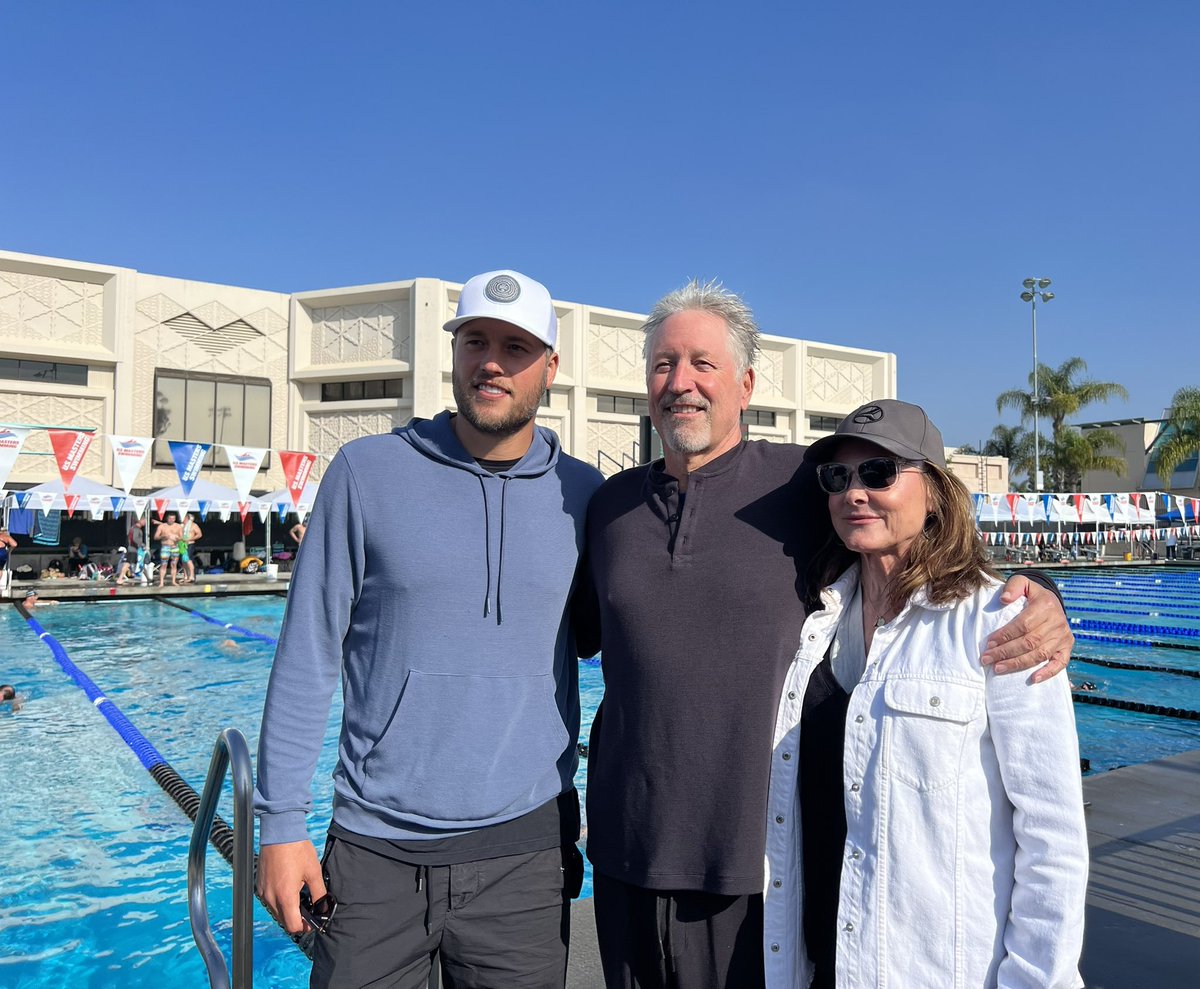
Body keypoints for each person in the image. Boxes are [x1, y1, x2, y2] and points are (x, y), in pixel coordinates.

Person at [579, 281, 1075, 989]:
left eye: (702, 363)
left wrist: (1041, 598)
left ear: (746, 383)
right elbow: (576, 636)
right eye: (663, 364)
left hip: (758, 875)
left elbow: (918, 544)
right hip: (626, 859)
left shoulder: (799, 487)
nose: (680, 383)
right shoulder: (610, 507)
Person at [254, 270, 603, 988]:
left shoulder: (584, 495)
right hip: (377, 849)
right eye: (475, 340)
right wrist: (280, 822)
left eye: (516, 345)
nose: (493, 361)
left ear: (551, 367)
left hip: (525, 852)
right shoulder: (366, 473)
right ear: (454, 353)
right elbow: (307, 654)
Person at [763, 400, 1087, 988]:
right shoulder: (815, 621)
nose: (854, 493)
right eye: (838, 477)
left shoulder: (1002, 624)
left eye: (879, 473)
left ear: (935, 493)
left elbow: (1052, 834)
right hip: (824, 962)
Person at [154, 513, 183, 587]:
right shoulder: (162, 526)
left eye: (173, 519)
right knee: (164, 564)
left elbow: (182, 537)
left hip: (175, 547)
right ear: (167, 518)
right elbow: (156, 537)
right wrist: (163, 536)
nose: (171, 520)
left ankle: (173, 581)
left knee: (174, 564)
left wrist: (177, 538)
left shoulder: (178, 526)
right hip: (165, 547)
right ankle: (161, 582)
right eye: (170, 518)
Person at [179, 513, 203, 583]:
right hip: (182, 545)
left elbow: (199, 534)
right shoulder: (181, 526)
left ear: (186, 518)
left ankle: (192, 576)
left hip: (190, 544)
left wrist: (190, 539)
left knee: (188, 559)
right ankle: (186, 576)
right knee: (183, 561)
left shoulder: (193, 525)